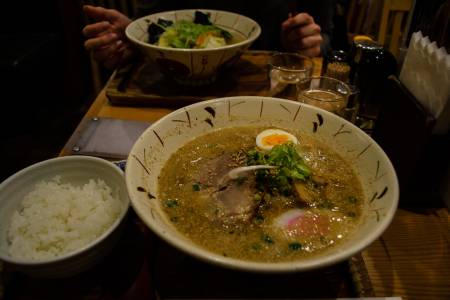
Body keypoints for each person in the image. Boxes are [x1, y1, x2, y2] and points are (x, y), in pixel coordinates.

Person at [82, 0, 333, 69]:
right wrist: (132, 40)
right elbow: (152, 25)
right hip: (171, 93)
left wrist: (307, 42)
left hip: (264, 84)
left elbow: (328, 38)